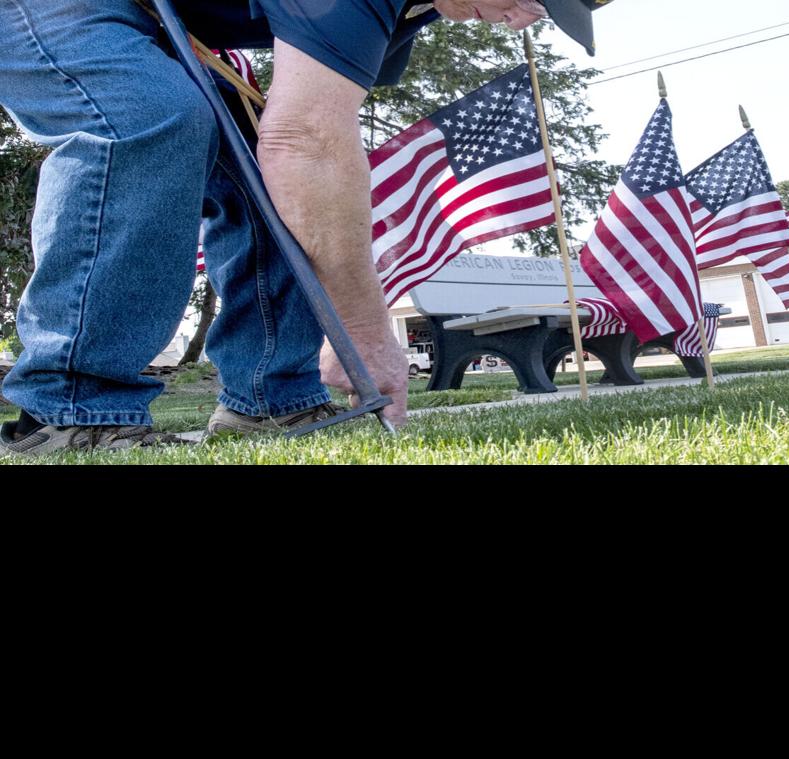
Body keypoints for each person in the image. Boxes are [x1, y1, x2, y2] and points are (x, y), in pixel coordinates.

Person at [0, 0, 608, 455]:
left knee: (271, 178)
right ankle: (71, 408)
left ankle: (270, 398)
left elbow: (305, 159)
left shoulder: (410, 11)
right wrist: (367, 337)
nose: (524, 16)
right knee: (150, 119)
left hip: (151, 20)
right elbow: (305, 144)